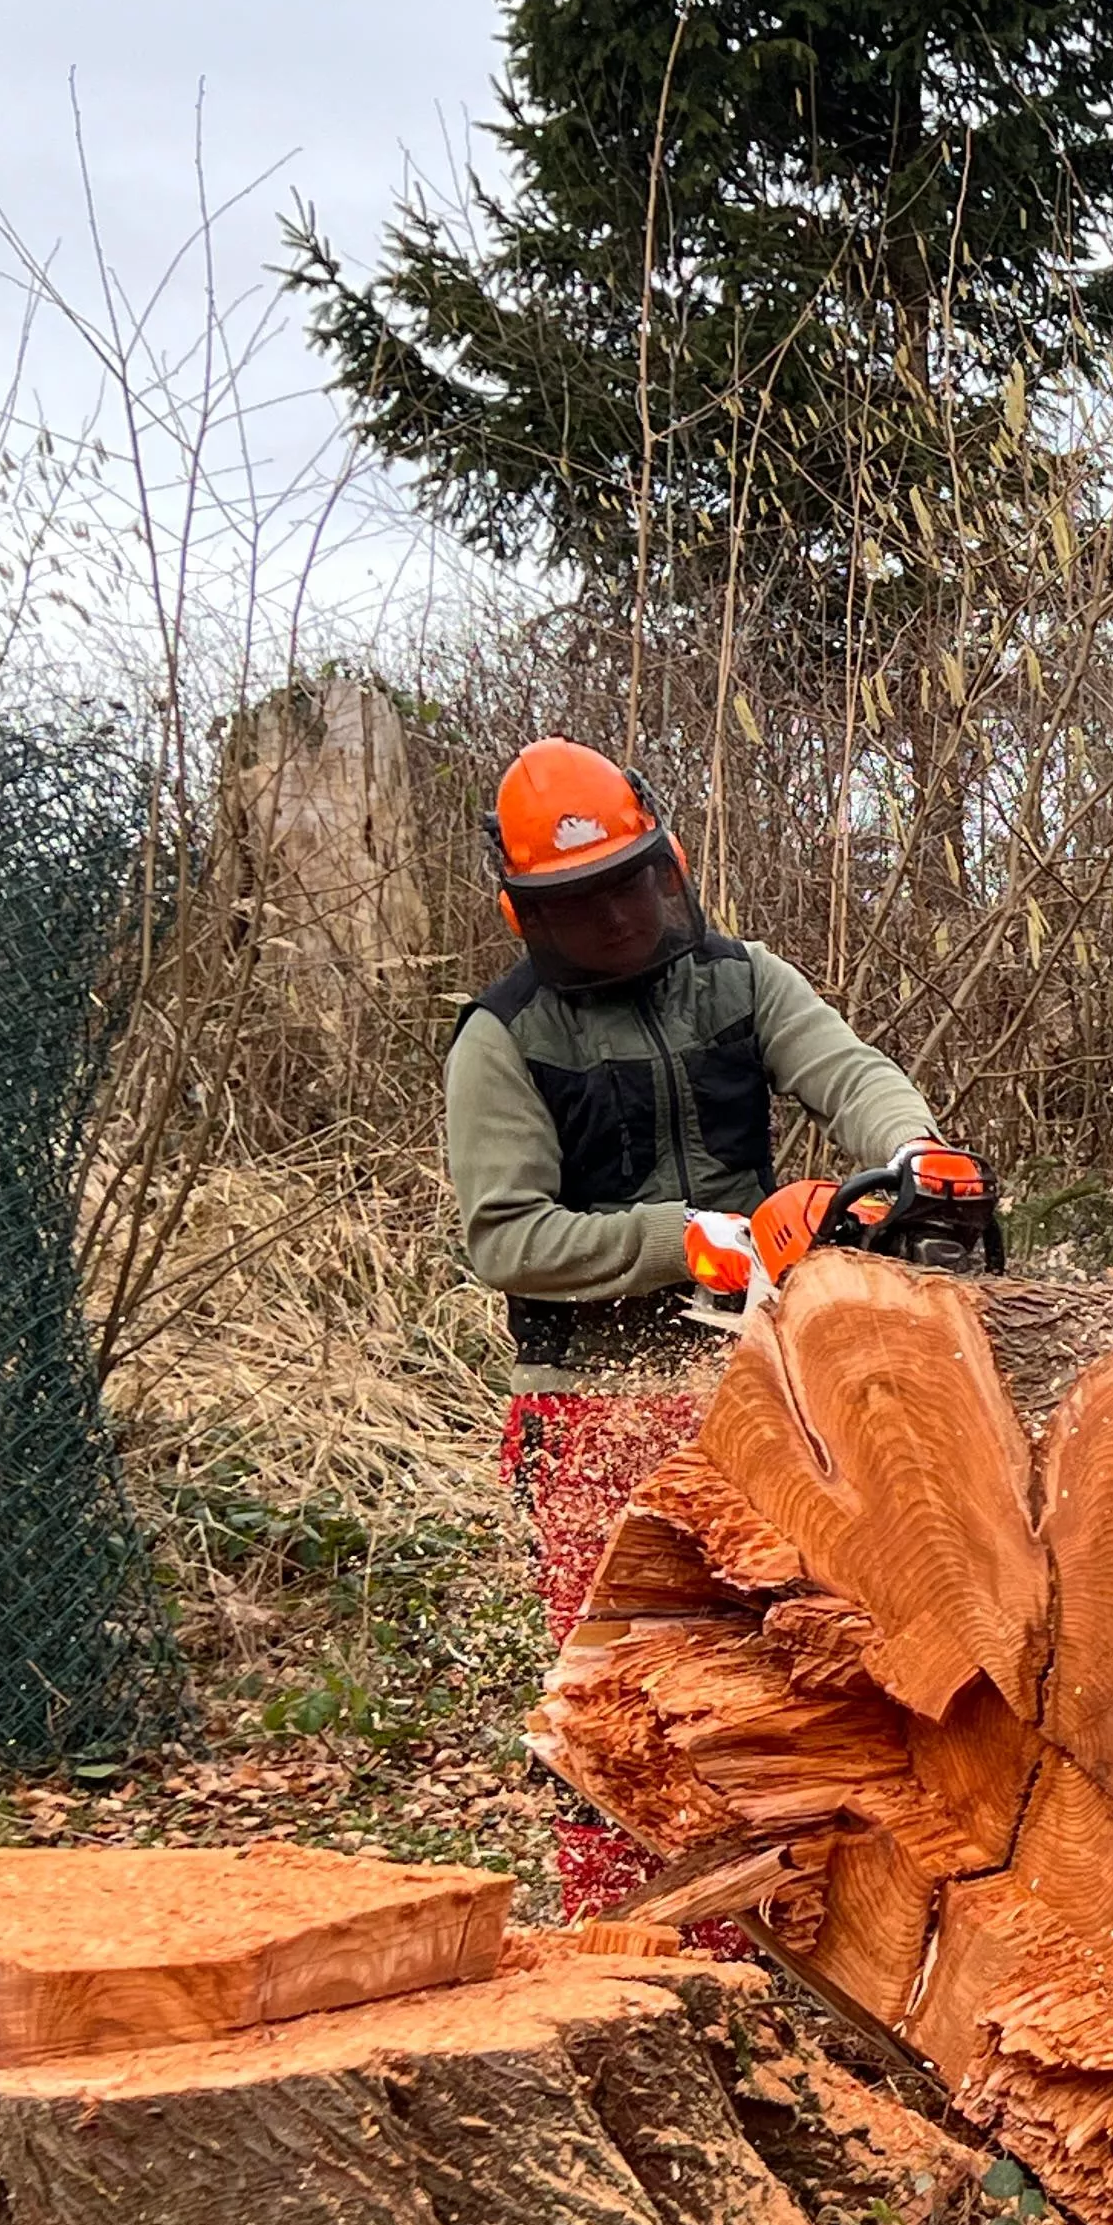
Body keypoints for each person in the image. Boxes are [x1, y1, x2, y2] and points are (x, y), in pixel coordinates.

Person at [445, 738, 959, 1908]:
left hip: (757, 1386)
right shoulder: (506, 1038)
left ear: (667, 862)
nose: (615, 916)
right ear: (530, 914)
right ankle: (621, 1937)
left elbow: (849, 1067)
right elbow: (505, 1237)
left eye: (629, 883)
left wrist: (912, 1154)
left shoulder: (742, 979)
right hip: (594, 1403)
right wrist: (684, 1239)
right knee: (631, 1702)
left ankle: (804, 1929)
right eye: (577, 903)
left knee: (802, 1674)